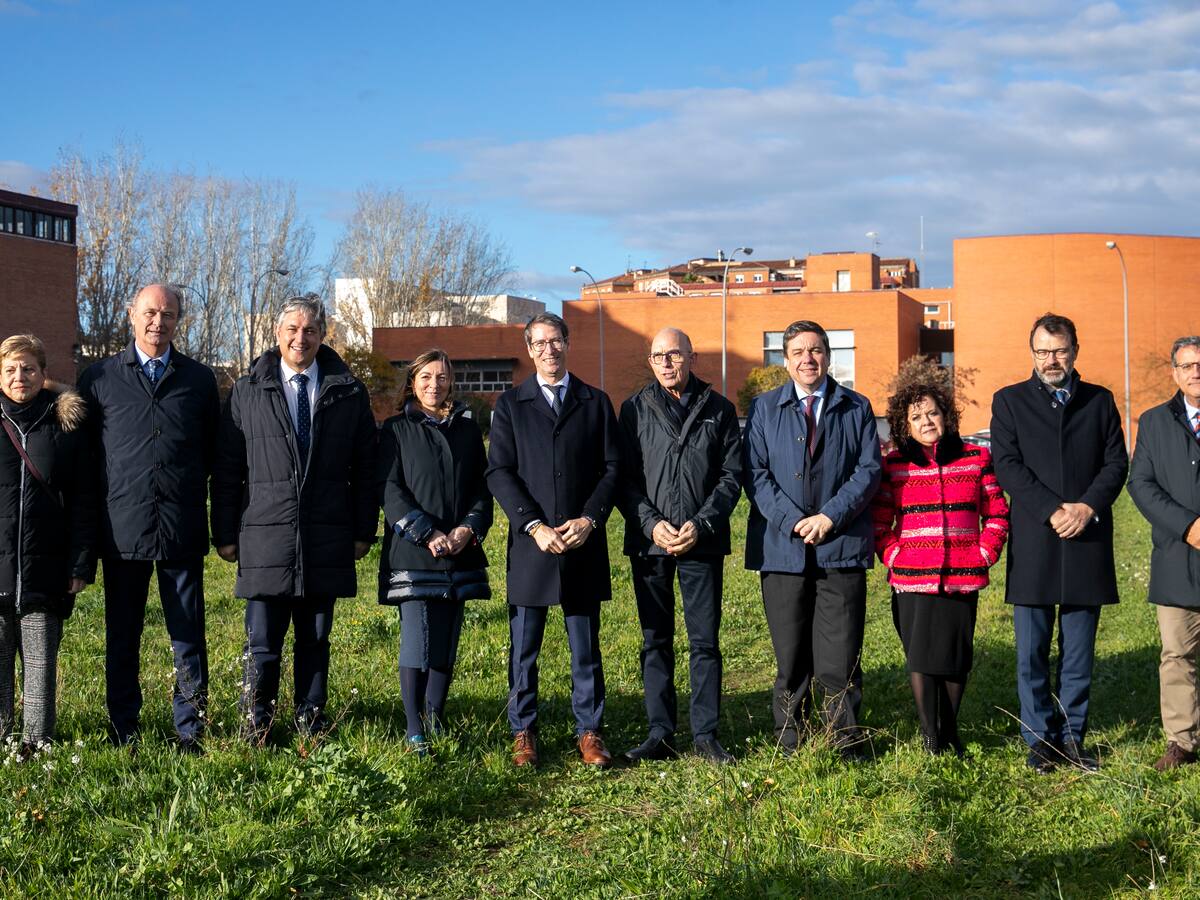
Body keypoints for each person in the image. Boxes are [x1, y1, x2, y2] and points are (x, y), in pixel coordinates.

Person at [212, 295, 377, 743]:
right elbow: (228, 468)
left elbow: (367, 467)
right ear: (276, 333)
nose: (300, 338)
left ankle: (311, 722)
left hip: (326, 535)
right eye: (292, 329)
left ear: (323, 335)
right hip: (265, 538)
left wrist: (364, 530)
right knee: (262, 644)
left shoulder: (348, 391)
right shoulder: (247, 391)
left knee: (315, 641)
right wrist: (224, 533)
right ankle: (256, 725)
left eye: (310, 330)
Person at [78, 283, 219, 753]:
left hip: (180, 526)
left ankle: (190, 729)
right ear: (131, 316)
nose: (159, 322)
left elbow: (215, 455)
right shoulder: (98, 379)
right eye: (151, 313)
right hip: (122, 530)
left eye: (169, 314)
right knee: (123, 634)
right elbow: (84, 459)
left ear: (179, 321)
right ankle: (124, 730)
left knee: (188, 635)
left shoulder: (199, 381)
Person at [991, 313, 1128, 773]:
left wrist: (1086, 508)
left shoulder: (1100, 401)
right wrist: (1053, 510)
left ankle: (1072, 737)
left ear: (1075, 350)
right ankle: (1038, 739)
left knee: (1078, 649)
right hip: (1036, 539)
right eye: (1043, 351)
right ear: (1031, 352)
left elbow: (1115, 465)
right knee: (1031, 651)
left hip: (1086, 537)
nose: (1051, 359)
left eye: (1060, 350)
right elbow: (1007, 466)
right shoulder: (1008, 402)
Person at [486, 312, 621, 768]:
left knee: (585, 647)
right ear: (529, 350)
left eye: (556, 340)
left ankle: (589, 731)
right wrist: (533, 525)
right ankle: (523, 731)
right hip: (532, 545)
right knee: (524, 648)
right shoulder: (510, 405)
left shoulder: (596, 401)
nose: (549, 349)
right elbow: (499, 472)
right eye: (540, 343)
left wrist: (590, 519)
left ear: (567, 343)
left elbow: (613, 469)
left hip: (582, 542)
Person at [743, 319, 882, 758]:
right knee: (790, 653)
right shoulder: (765, 409)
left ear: (828, 355)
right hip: (782, 550)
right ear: (785, 361)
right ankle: (791, 738)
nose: (808, 358)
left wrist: (829, 517)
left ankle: (844, 738)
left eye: (816, 350)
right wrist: (793, 521)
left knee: (839, 655)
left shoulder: (856, 407)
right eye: (799, 352)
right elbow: (756, 475)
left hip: (839, 547)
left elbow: (868, 471)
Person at [618, 327, 742, 765]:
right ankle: (660, 732)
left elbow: (731, 477)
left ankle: (706, 734)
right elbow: (624, 479)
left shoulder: (720, 409)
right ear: (650, 362)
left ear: (692, 357)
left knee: (705, 641)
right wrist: (651, 525)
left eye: (674, 354)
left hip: (701, 543)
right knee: (656, 639)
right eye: (658, 356)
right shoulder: (633, 409)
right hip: (650, 544)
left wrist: (702, 523)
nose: (667, 362)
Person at [872, 373, 1009, 755]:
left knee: (955, 658)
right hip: (911, 577)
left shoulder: (976, 458)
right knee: (921, 657)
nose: (926, 422)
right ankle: (930, 734)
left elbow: (997, 514)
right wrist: (894, 555)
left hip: (962, 575)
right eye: (916, 418)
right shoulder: (895, 465)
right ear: (904, 424)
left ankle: (951, 729)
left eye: (932, 413)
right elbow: (880, 523)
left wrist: (983, 554)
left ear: (946, 416)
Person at [377, 349, 492, 756]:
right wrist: (427, 533)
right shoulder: (394, 430)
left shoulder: (465, 429)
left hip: (458, 552)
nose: (434, 384)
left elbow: (482, 487)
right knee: (417, 642)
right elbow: (390, 491)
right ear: (412, 381)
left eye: (442, 377)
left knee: (445, 641)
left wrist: (466, 529)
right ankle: (414, 730)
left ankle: (436, 717)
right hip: (415, 553)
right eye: (426, 377)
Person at [0, 335, 95, 754]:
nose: (20, 377)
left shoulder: (64, 426)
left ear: (43, 374)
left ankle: (36, 745)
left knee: (40, 664)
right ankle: (2, 736)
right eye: (10, 369)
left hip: (47, 567)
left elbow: (84, 500)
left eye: (28, 368)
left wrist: (79, 565)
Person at [1127, 336, 1200, 771]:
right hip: (1177, 555)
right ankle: (1182, 740)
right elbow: (1141, 484)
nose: (1196, 372)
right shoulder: (1154, 422)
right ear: (1174, 372)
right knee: (1177, 653)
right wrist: (1188, 525)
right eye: (1188, 365)